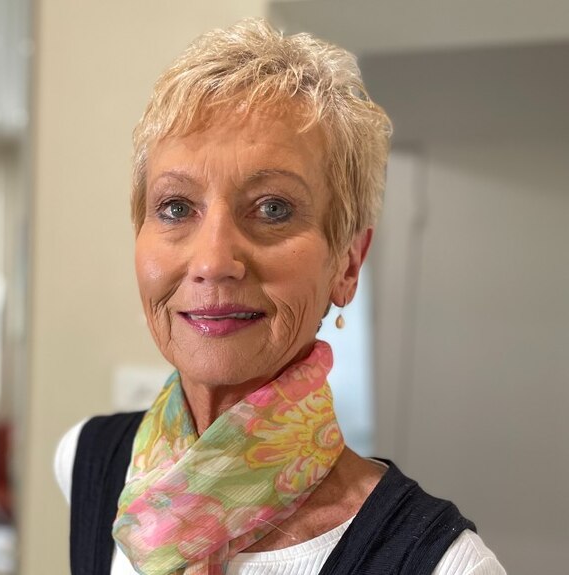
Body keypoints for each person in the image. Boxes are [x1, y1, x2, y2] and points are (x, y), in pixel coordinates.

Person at [55, 18, 505, 575]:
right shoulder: (83, 460)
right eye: (175, 208)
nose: (214, 261)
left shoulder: (445, 566)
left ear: (347, 262)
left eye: (273, 208)